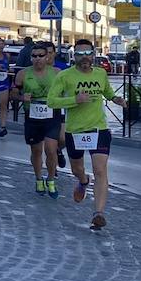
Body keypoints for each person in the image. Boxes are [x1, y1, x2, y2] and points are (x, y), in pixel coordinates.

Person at [47, 39, 122, 230]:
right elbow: (52, 101)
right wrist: (74, 99)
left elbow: (107, 91)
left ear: (93, 54)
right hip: (76, 131)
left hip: (99, 128)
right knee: (77, 169)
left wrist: (116, 98)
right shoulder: (64, 76)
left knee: (100, 170)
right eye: (79, 54)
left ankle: (98, 213)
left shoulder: (100, 73)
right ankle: (82, 181)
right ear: (74, 57)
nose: (84, 58)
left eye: (87, 53)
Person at [12, 42, 62, 198]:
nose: (38, 59)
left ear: (47, 56)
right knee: (36, 150)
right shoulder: (23, 74)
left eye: (41, 55)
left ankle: (51, 179)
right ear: (30, 57)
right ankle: (39, 178)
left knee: (51, 149)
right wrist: (21, 97)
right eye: (34, 56)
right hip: (32, 116)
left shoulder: (56, 72)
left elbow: (66, 91)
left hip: (52, 115)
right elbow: (12, 94)